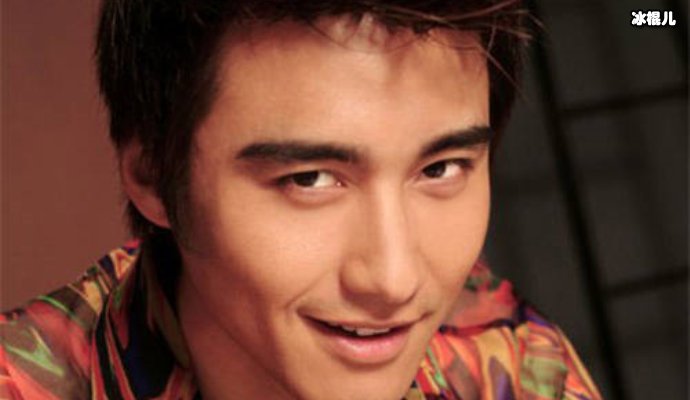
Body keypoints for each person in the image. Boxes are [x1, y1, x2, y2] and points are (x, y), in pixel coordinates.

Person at [0, 0, 602, 398]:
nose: (393, 280)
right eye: (309, 179)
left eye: (439, 169)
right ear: (154, 178)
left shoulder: (513, 363)